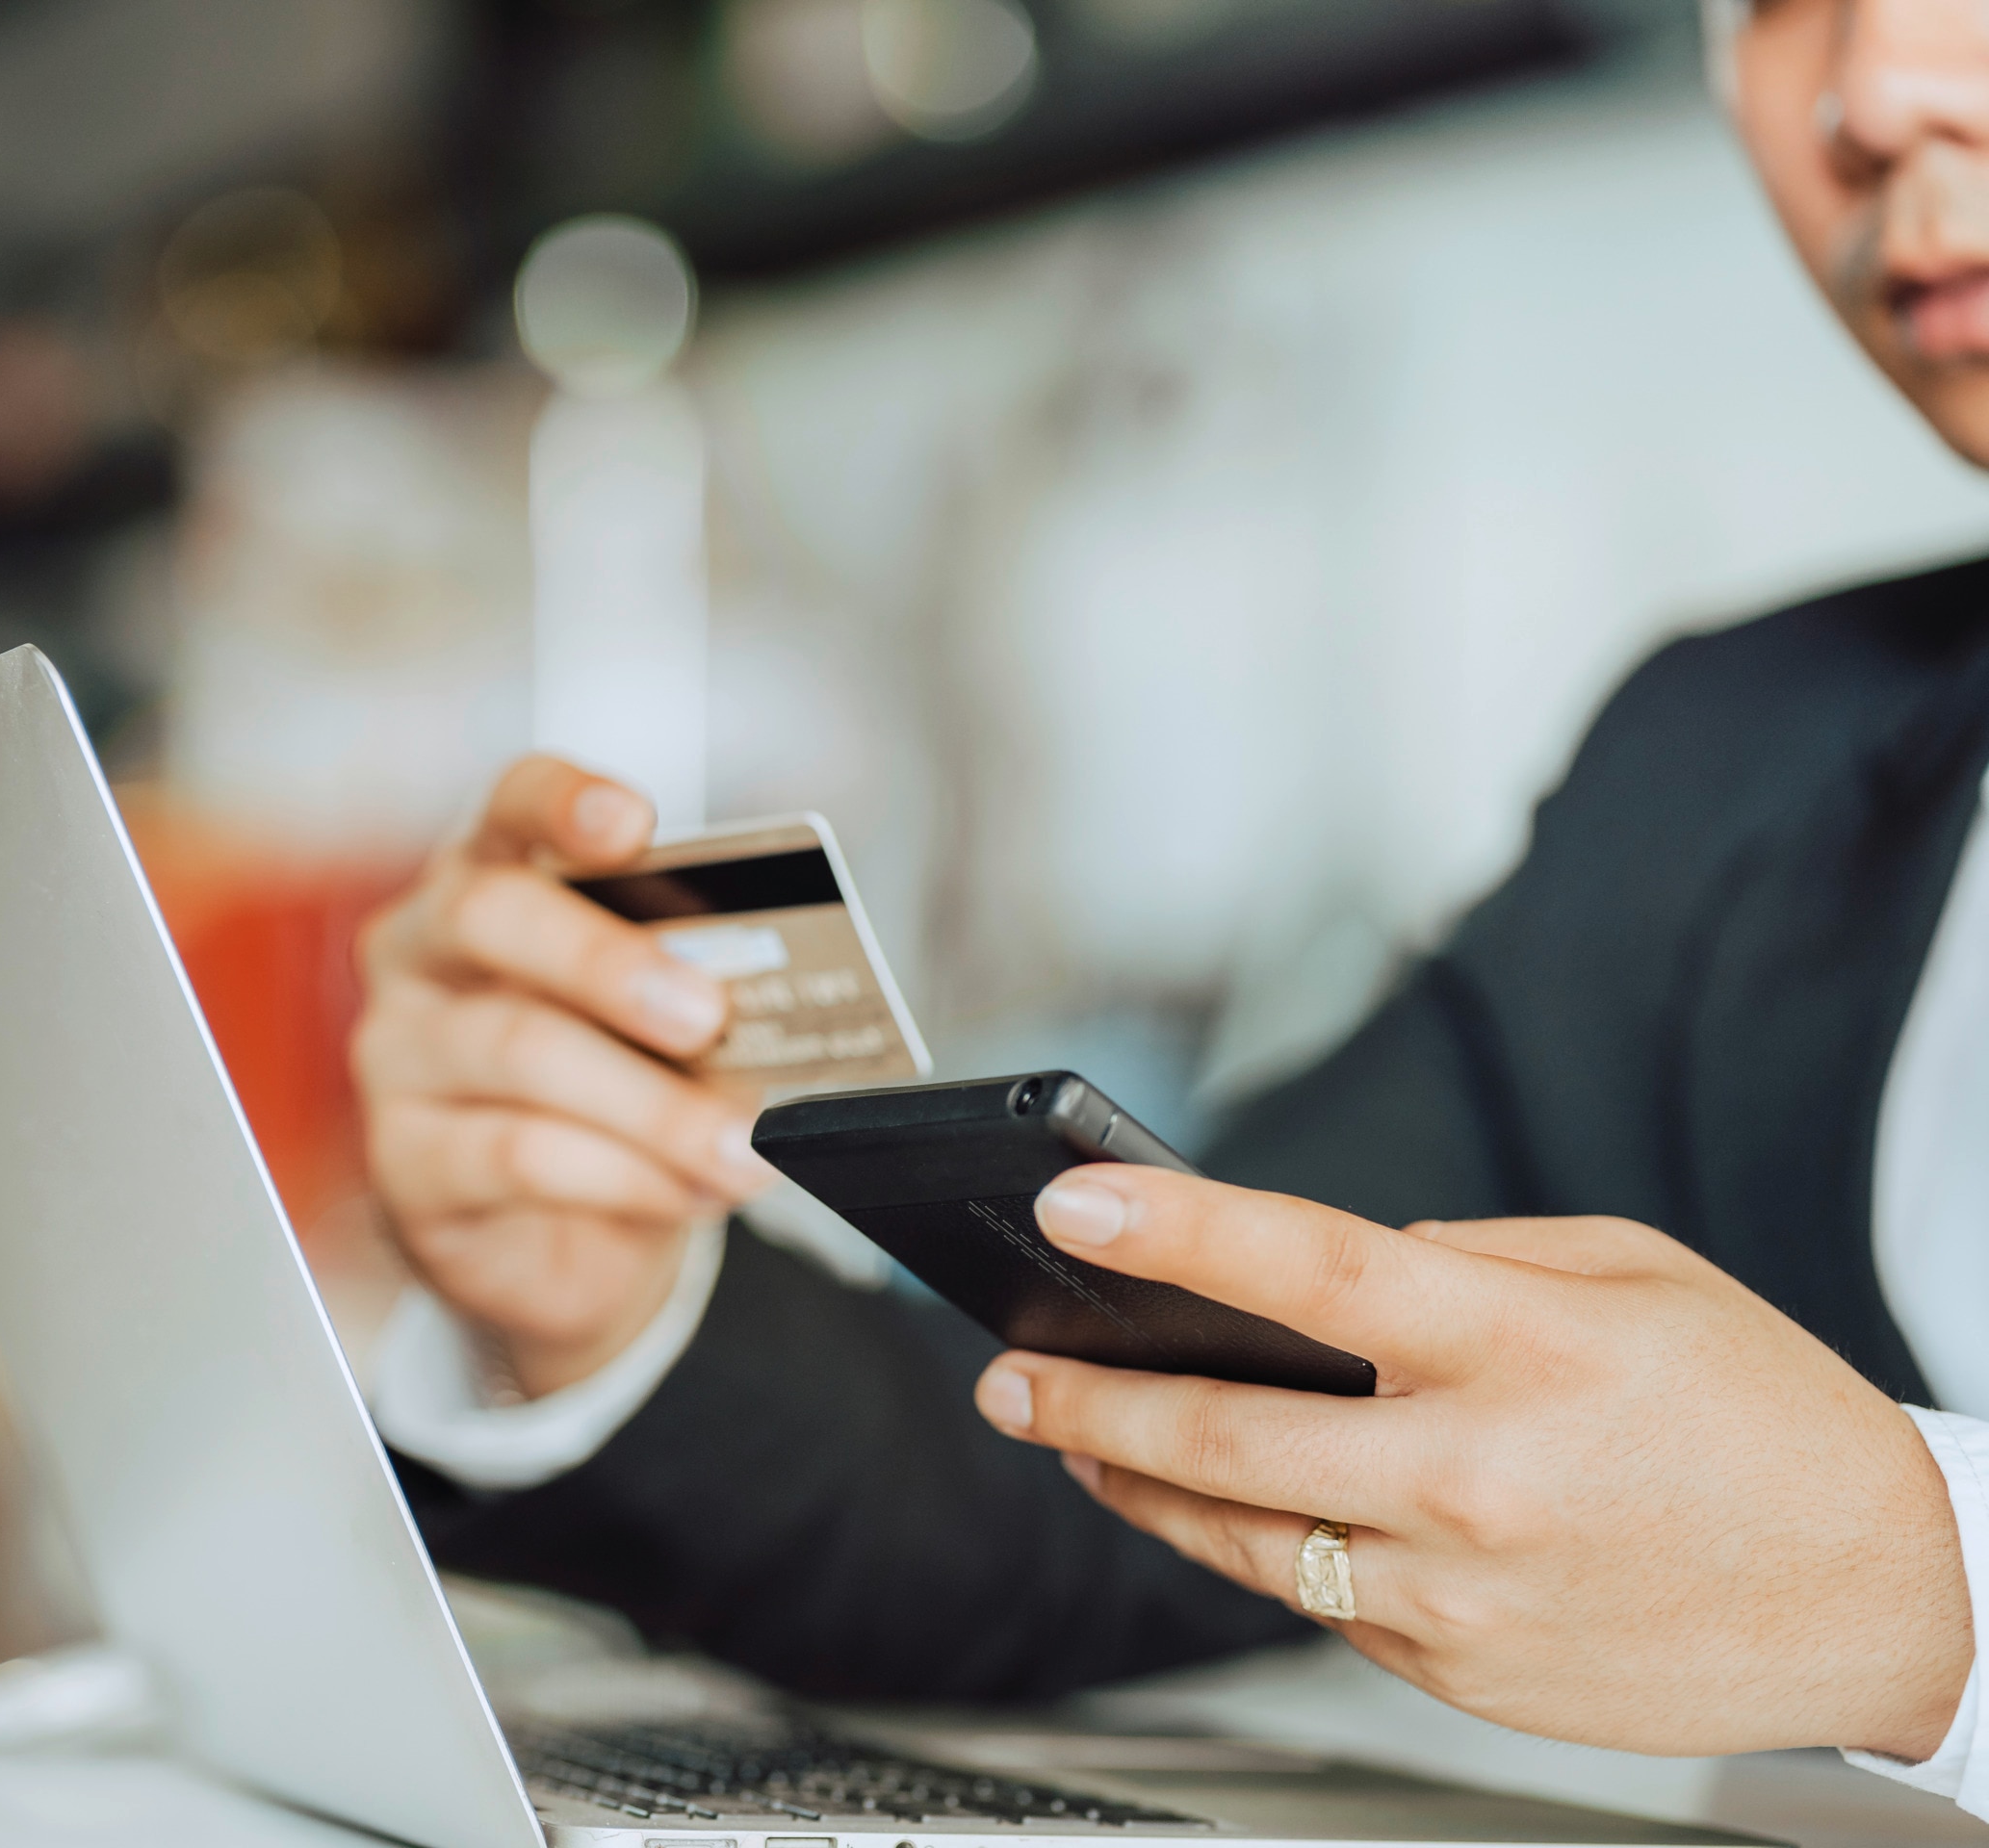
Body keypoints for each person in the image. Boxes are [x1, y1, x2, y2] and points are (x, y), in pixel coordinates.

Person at [350, 0, 1989, 1816]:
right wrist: (588, 1318)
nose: (1869, 85)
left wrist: (1944, 1603)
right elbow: (1097, 1488)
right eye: (1775, 0)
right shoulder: (1724, 776)